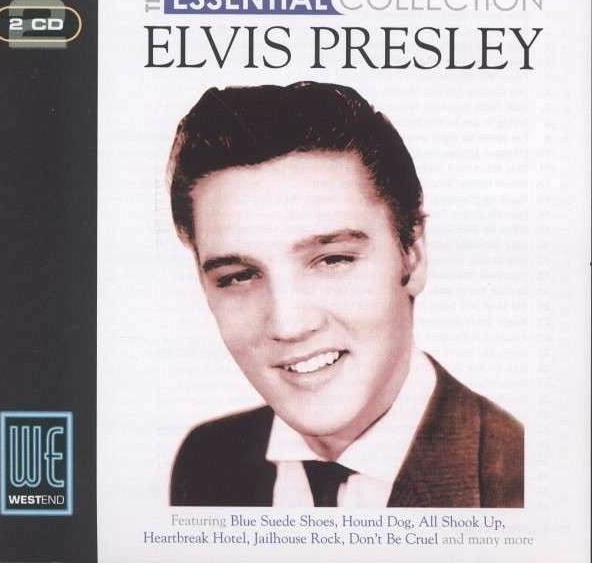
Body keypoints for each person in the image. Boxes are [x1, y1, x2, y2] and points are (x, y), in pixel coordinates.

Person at [167, 81, 523, 508]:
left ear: (412, 256)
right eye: (239, 277)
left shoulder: (522, 480)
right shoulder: (206, 462)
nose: (288, 324)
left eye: (332, 260)